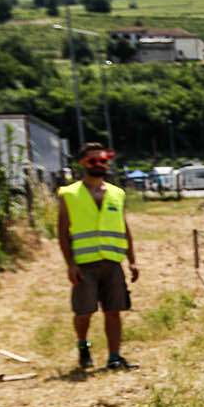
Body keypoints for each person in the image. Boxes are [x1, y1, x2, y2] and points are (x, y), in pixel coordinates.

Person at [56, 142, 138, 371]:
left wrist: (133, 260)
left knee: (114, 311)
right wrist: (70, 264)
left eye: (103, 160)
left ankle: (114, 357)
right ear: (83, 163)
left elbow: (124, 228)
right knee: (83, 313)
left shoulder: (117, 193)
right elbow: (62, 232)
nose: (99, 164)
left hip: (112, 262)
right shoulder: (69, 194)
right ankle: (83, 345)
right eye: (93, 160)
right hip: (84, 264)